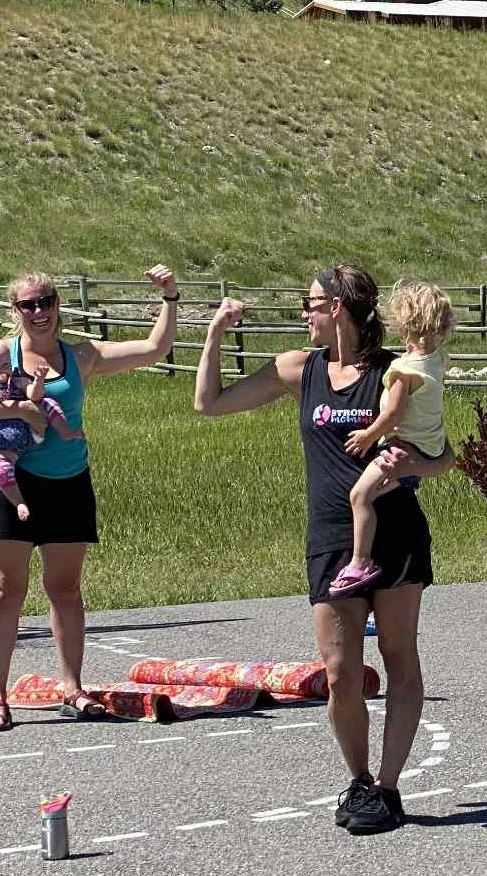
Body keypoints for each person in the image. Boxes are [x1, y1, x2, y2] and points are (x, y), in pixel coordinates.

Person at [193, 265, 452, 836]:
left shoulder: (395, 372)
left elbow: (444, 456)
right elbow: (209, 403)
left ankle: (387, 787)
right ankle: (358, 778)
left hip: (397, 534)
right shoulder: (299, 368)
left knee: (398, 656)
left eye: (309, 303)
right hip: (332, 538)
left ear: (337, 307)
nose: (302, 314)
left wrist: (417, 465)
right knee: (339, 671)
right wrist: (214, 333)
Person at [0, 266, 181, 731]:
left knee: (66, 588)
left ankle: (73, 689)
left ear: (57, 306)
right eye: (27, 305)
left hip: (69, 479)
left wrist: (170, 298)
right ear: (16, 312)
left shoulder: (82, 355)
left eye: (45, 302)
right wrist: (19, 409)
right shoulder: (1, 356)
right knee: (5, 589)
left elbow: (156, 349)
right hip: (13, 480)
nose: (38, 312)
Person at [330, 281, 455, 597]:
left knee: (359, 496)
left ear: (404, 326)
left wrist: (369, 435)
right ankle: (406, 482)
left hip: (400, 445)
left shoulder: (402, 369)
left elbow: (394, 414)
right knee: (376, 495)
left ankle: (361, 561)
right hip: (429, 446)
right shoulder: (436, 361)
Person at [0, 335, 82, 522]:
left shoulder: (17, 381)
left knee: (47, 402)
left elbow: (34, 396)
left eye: (4, 364)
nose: (0, 371)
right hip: (4, 445)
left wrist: (38, 381)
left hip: (33, 432)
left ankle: (65, 431)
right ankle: (19, 502)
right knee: (0, 468)